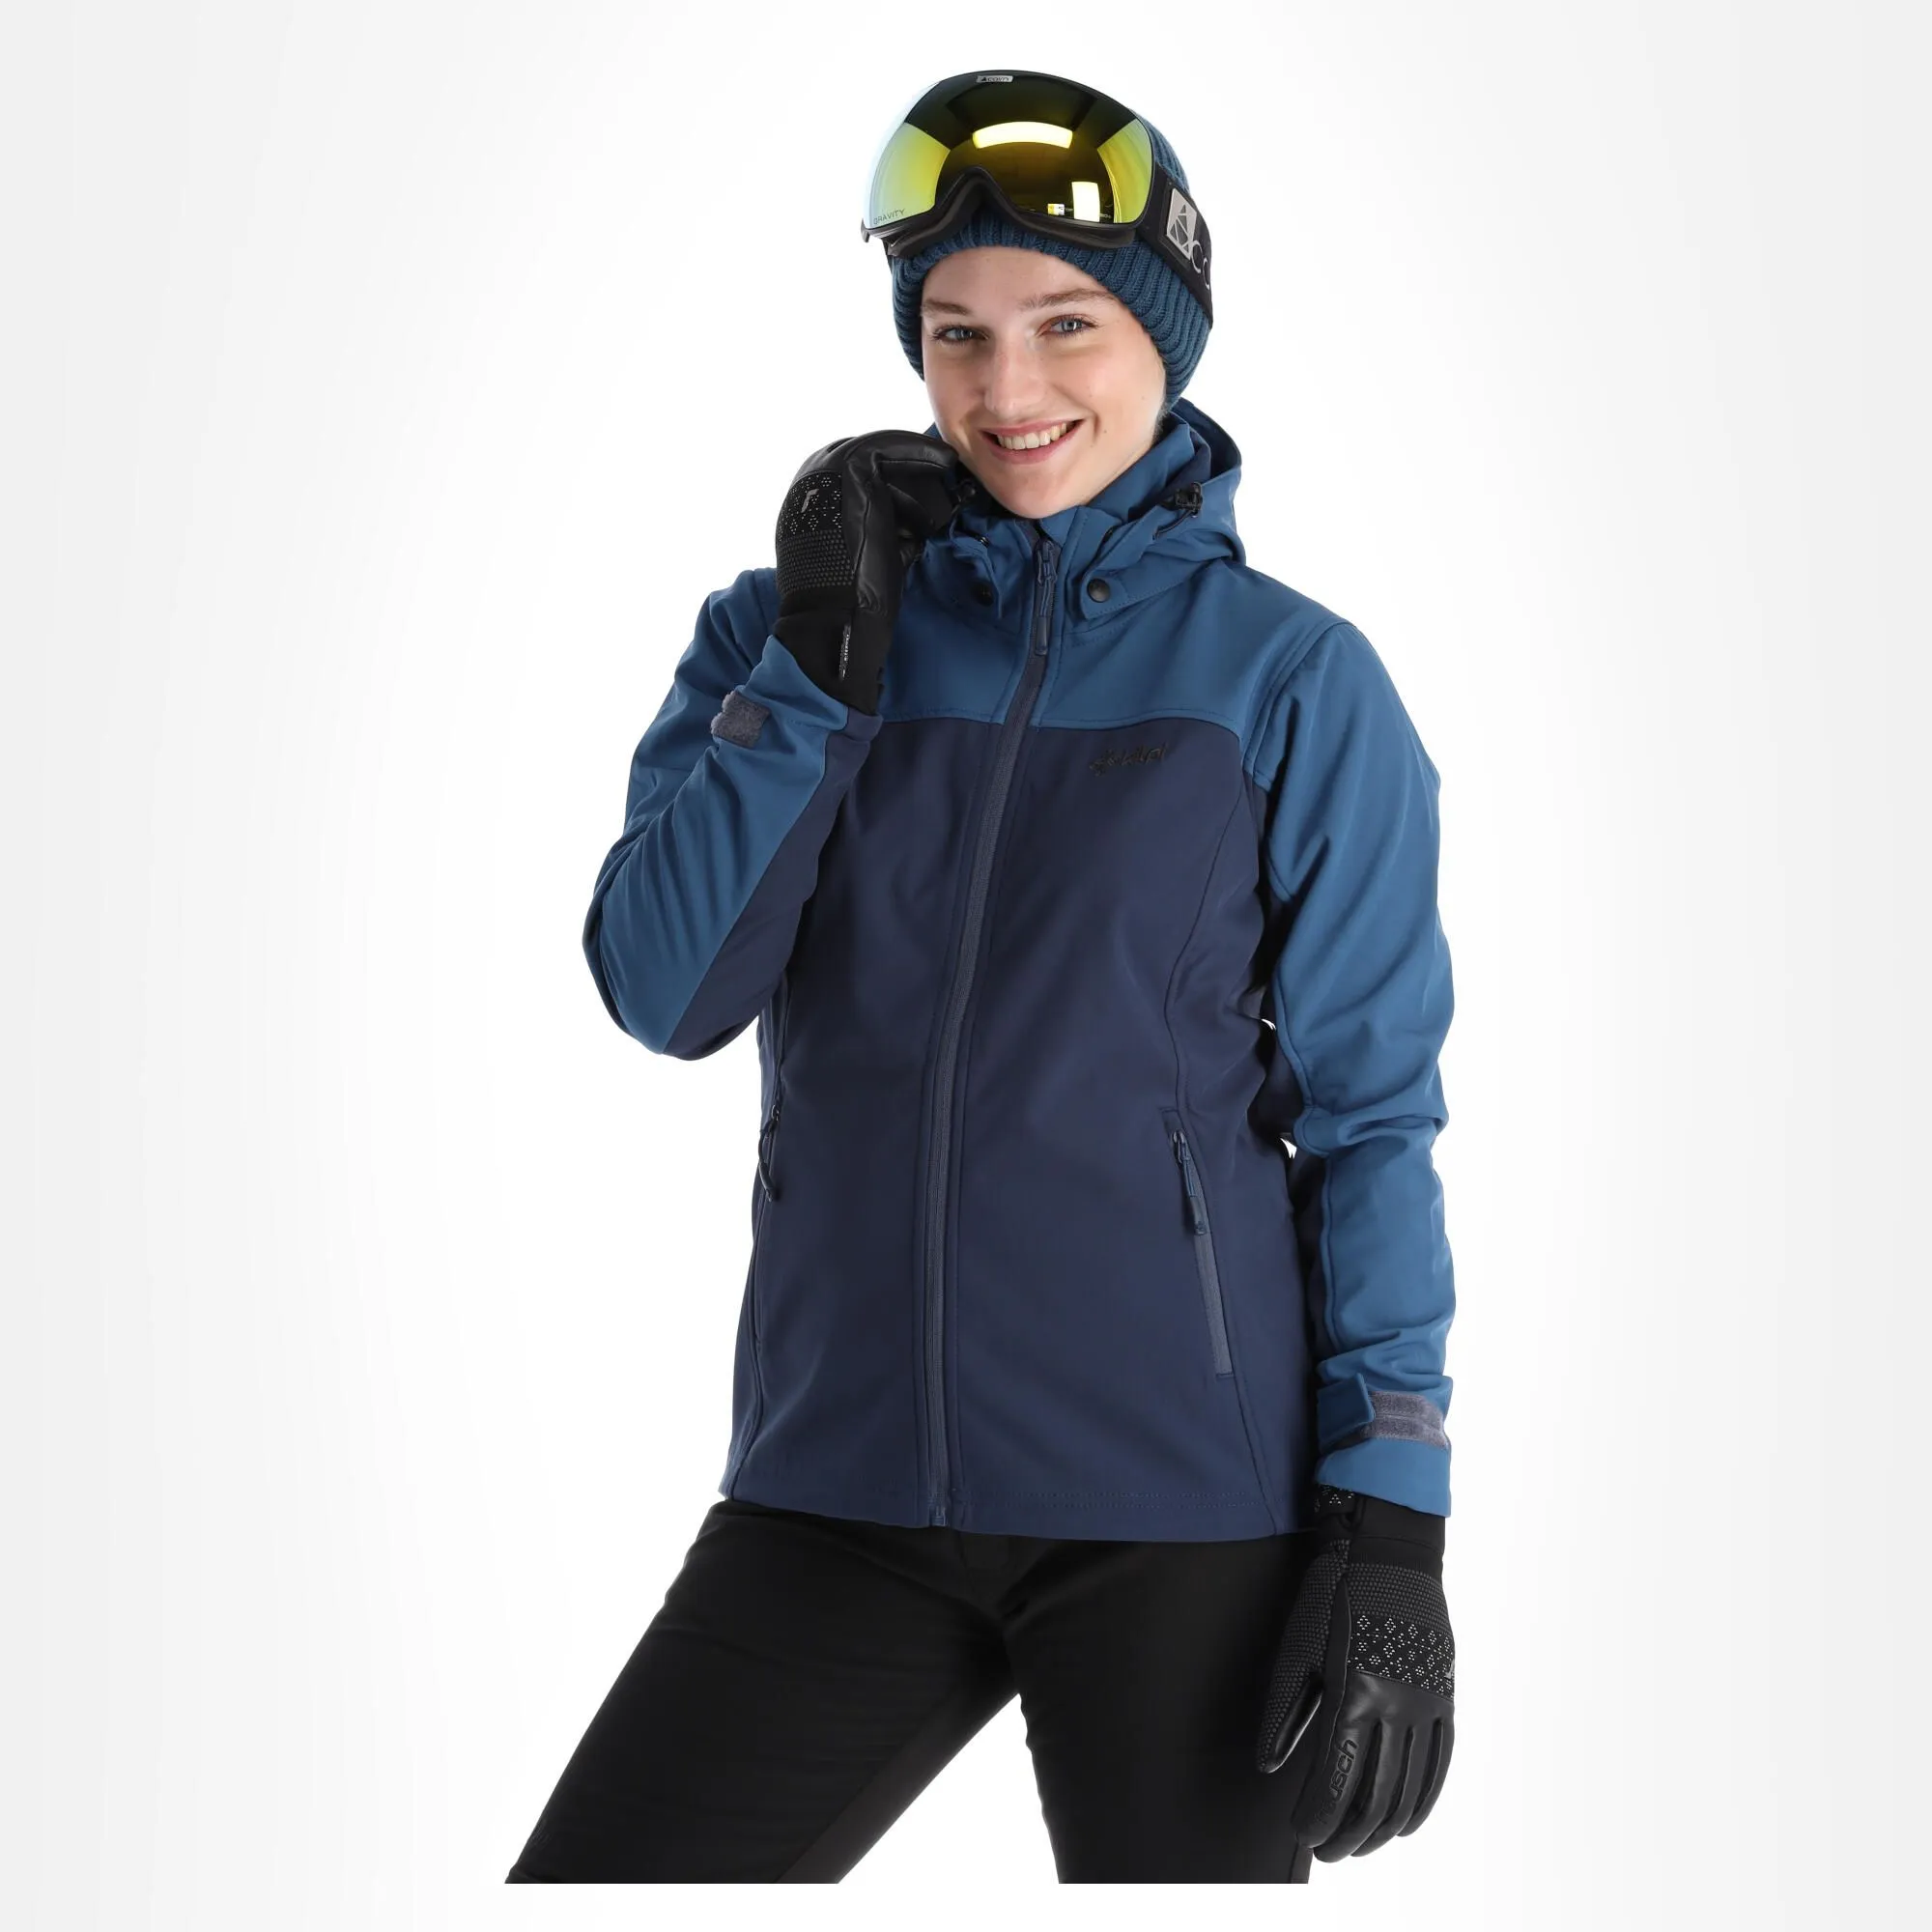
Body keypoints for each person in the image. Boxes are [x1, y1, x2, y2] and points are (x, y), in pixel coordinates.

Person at [505, 68, 1458, 1885]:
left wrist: (1391, 1523)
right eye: (957, 333)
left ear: (1166, 336)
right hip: (838, 1482)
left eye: (1066, 324)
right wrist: (819, 668)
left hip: (1181, 1509)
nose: (1010, 392)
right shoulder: (784, 635)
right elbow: (665, 990)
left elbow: (1372, 1121)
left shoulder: (1293, 682)